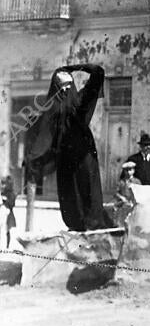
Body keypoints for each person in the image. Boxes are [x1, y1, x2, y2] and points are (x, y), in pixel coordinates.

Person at [24, 64, 112, 232]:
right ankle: (76, 229)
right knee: (70, 200)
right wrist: (35, 161)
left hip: (83, 158)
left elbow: (98, 73)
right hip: (65, 161)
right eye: (60, 87)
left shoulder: (80, 103)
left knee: (89, 196)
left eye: (68, 86)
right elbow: (46, 141)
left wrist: (75, 67)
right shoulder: (52, 114)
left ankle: (93, 227)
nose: (64, 91)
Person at [0, 175, 16, 249]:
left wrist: (6, 201)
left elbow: (12, 204)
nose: (4, 185)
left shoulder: (11, 193)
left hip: (7, 213)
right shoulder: (3, 192)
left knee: (6, 229)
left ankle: (6, 246)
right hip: (2, 211)